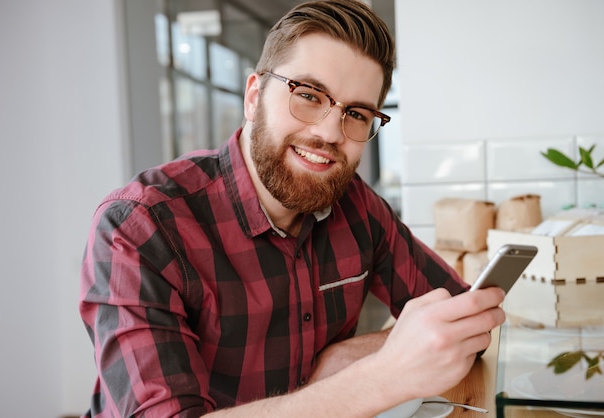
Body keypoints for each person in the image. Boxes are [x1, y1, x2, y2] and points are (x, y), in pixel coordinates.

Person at [79, 0, 506, 416]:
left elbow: (470, 322)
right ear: (253, 96)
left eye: (356, 113)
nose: (329, 132)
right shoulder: (139, 227)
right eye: (308, 94)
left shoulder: (357, 205)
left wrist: (349, 355)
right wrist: (380, 374)